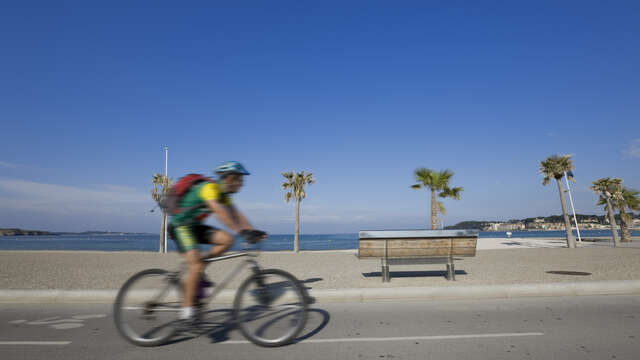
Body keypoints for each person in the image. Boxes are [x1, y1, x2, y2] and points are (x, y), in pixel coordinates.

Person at [168, 161, 266, 321]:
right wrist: (241, 231)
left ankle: (199, 268)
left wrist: (252, 230)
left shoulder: (224, 195)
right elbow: (220, 213)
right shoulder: (210, 188)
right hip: (180, 226)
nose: (241, 184)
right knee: (196, 265)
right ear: (229, 179)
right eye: (240, 180)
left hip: (194, 227)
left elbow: (236, 214)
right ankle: (186, 314)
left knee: (227, 240)